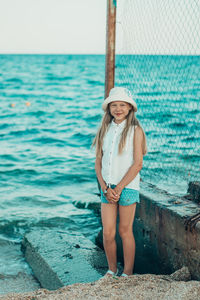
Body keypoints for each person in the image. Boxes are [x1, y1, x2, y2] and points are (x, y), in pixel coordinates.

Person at [93, 87, 147, 277]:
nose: (118, 109)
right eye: (114, 105)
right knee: (108, 232)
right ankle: (112, 269)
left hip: (128, 187)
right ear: (108, 109)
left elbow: (138, 163)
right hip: (107, 188)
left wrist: (120, 187)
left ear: (130, 108)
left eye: (122, 105)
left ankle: (128, 272)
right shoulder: (104, 130)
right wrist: (104, 187)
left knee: (125, 231)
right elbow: (98, 161)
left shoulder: (135, 130)